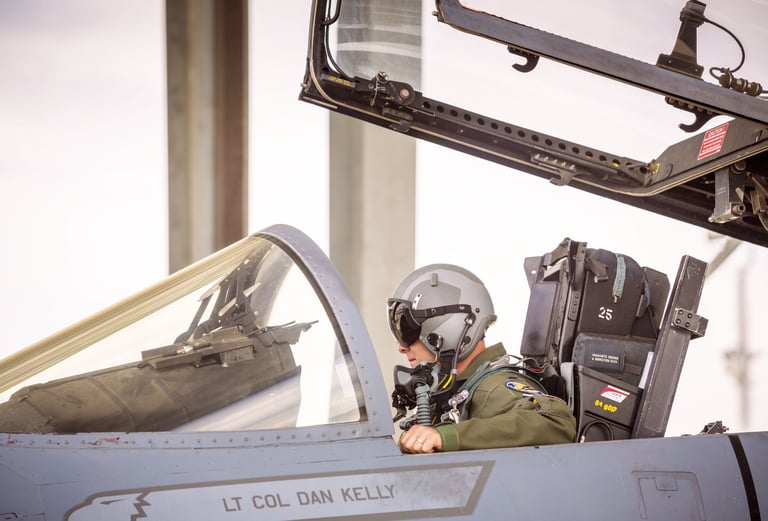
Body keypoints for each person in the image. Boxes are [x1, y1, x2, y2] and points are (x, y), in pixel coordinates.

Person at [387, 263, 576, 454]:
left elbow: (556, 421)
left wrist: (445, 436)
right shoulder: (454, 392)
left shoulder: (492, 387)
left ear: (448, 326)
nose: (401, 348)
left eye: (407, 331)